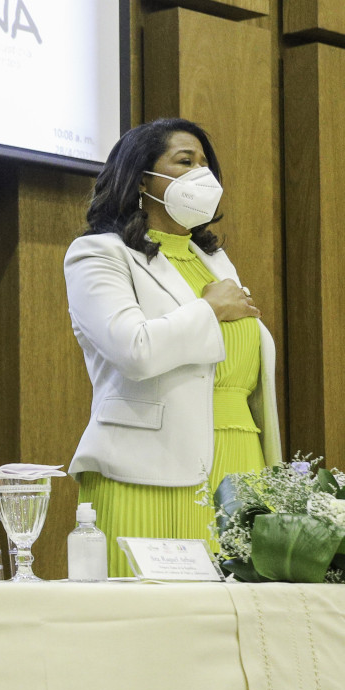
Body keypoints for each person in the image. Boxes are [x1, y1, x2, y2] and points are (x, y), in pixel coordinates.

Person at [64, 119, 281, 570]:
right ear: (142, 179)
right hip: (148, 470)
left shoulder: (213, 259)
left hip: (240, 462)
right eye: (185, 162)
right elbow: (135, 350)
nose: (202, 174)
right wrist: (210, 310)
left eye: (206, 165)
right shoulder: (98, 253)